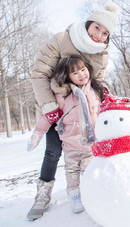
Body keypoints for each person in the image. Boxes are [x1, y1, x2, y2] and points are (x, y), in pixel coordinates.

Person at [27, 1, 119, 220]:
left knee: (90, 153)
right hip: (57, 107)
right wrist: (50, 106)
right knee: (53, 151)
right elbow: (39, 72)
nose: (99, 35)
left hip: (85, 112)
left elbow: (98, 81)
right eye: (97, 27)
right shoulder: (62, 38)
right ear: (89, 23)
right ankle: (43, 194)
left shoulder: (101, 54)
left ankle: (92, 189)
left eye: (105, 33)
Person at [28, 55, 105, 214]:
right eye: (75, 73)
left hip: (91, 144)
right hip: (70, 144)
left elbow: (106, 109)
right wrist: (38, 133)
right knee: (71, 171)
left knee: (89, 170)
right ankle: (74, 194)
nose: (81, 74)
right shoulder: (63, 96)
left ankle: (92, 193)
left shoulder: (95, 91)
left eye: (83, 69)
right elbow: (47, 115)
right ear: (67, 76)